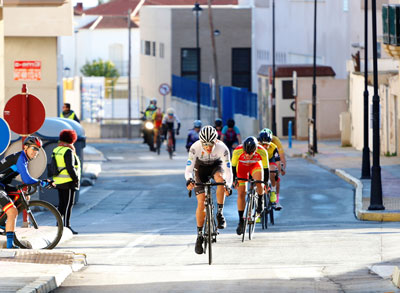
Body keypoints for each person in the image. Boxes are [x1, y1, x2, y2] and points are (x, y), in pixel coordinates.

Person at [185, 126, 233, 254]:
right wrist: (189, 180)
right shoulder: (195, 148)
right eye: (205, 145)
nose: (208, 148)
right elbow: (188, 170)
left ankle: (220, 213)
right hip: (200, 169)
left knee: (220, 179)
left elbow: (229, 172)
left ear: (216, 141)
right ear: (201, 142)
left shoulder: (223, 148)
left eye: (211, 144)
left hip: (216, 167)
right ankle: (199, 235)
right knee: (201, 202)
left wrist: (228, 185)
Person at [0, 136, 54, 248]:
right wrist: (42, 183)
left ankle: (2, 222)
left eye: (38, 149)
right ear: (26, 147)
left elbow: (26, 179)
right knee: (12, 212)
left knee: (18, 196)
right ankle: (10, 246)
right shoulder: (21, 157)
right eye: (34, 148)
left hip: (2, 184)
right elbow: (27, 179)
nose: (36, 152)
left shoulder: (23, 158)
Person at [231, 136, 269, 235]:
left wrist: (265, 183)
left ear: (255, 150)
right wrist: (235, 180)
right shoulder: (237, 151)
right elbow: (233, 167)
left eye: (250, 153)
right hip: (242, 168)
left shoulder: (262, 151)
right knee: (241, 193)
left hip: (255, 166)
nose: (247, 156)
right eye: (246, 153)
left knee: (259, 182)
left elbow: (266, 169)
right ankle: (241, 221)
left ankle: (260, 200)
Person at [51, 129, 81, 235]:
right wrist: (76, 179)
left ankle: (58, 225)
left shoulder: (57, 150)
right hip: (69, 181)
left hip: (59, 180)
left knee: (62, 204)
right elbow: (70, 167)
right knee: (69, 204)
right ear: (71, 139)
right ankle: (67, 226)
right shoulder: (68, 151)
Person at [258, 130, 282, 210]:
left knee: (272, 171)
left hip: (270, 159)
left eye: (267, 145)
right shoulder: (256, 146)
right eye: (263, 144)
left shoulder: (273, 147)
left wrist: (277, 173)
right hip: (260, 160)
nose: (264, 146)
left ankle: (273, 191)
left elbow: (278, 162)